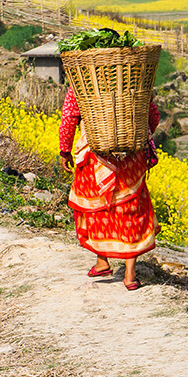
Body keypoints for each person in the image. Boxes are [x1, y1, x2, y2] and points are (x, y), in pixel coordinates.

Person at [58, 84, 160, 290]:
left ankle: (103, 260)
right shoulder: (135, 77)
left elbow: (69, 117)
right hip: (131, 154)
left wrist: (65, 150)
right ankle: (130, 274)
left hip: (95, 155)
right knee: (131, 210)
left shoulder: (83, 80)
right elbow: (153, 115)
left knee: (98, 208)